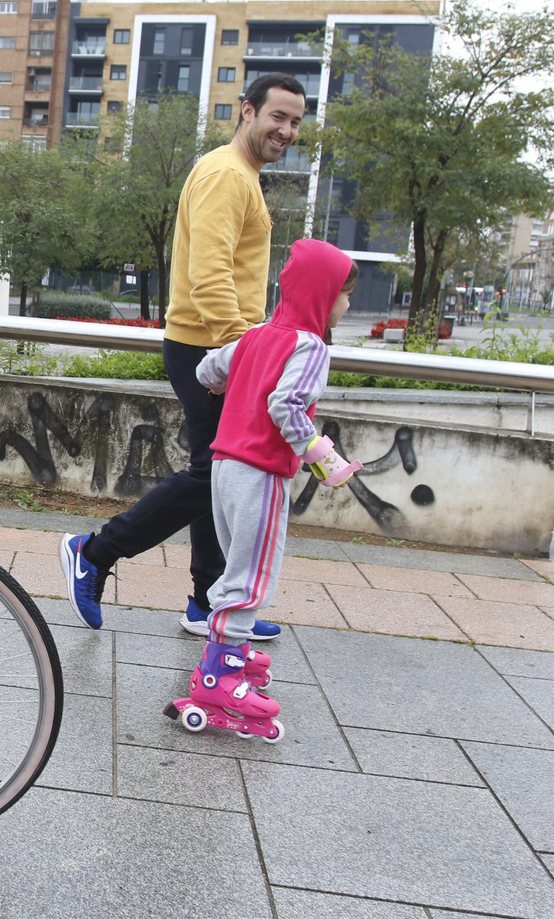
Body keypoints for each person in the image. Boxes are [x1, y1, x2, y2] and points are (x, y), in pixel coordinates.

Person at [60, 73, 308, 633]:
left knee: (217, 471)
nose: (287, 129)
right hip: (211, 347)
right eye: (278, 116)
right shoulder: (227, 175)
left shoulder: (239, 173)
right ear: (247, 111)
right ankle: (95, 552)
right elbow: (210, 276)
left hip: (213, 345)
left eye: (295, 121)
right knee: (216, 474)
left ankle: (209, 602)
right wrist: (241, 354)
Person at [173, 239, 358, 736]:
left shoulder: (256, 335)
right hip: (262, 471)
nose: (347, 305)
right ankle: (219, 672)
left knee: (237, 563)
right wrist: (319, 452)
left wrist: (223, 385)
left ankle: (229, 653)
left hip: (225, 466)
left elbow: (206, 369)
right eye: (343, 294)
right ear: (322, 295)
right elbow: (287, 405)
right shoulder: (311, 346)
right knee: (251, 576)